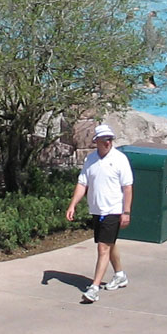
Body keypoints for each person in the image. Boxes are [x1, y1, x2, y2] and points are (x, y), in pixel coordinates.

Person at [65, 124, 134, 303]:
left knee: (103, 247)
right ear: (96, 141)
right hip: (97, 209)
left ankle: (94, 288)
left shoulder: (120, 159)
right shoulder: (90, 160)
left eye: (110, 139)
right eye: (105, 139)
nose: (108, 142)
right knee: (109, 244)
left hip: (113, 210)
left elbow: (127, 188)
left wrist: (126, 212)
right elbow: (82, 184)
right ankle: (120, 275)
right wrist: (72, 205)